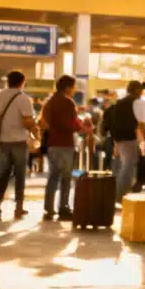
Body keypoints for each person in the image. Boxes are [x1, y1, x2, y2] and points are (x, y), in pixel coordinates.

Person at [0, 70, 38, 220]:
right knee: (20, 175)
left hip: (2, 142)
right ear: (22, 82)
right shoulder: (23, 98)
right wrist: (36, 133)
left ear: (8, 81)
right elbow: (27, 121)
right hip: (19, 142)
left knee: (2, 173)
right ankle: (18, 208)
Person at [41, 76, 87, 221]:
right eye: (74, 87)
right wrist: (81, 127)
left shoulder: (49, 102)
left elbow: (44, 122)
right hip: (65, 144)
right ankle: (63, 207)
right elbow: (69, 123)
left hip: (52, 143)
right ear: (68, 87)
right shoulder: (67, 102)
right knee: (66, 178)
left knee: (53, 176)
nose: (75, 90)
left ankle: (48, 209)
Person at [110, 81, 145, 203]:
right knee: (128, 169)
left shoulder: (119, 103)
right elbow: (141, 124)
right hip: (129, 138)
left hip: (119, 139)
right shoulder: (136, 102)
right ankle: (120, 197)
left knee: (123, 167)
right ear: (138, 90)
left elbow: (112, 123)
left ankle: (117, 195)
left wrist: (115, 143)